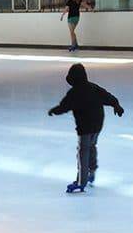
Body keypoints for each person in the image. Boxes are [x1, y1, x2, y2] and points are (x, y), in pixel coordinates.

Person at [48, 63, 125, 194]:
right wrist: (116, 105)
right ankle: (92, 170)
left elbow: (64, 106)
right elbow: (109, 97)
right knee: (92, 146)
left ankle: (81, 182)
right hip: (97, 124)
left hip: (85, 127)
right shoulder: (93, 88)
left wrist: (54, 111)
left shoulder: (74, 92)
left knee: (83, 152)